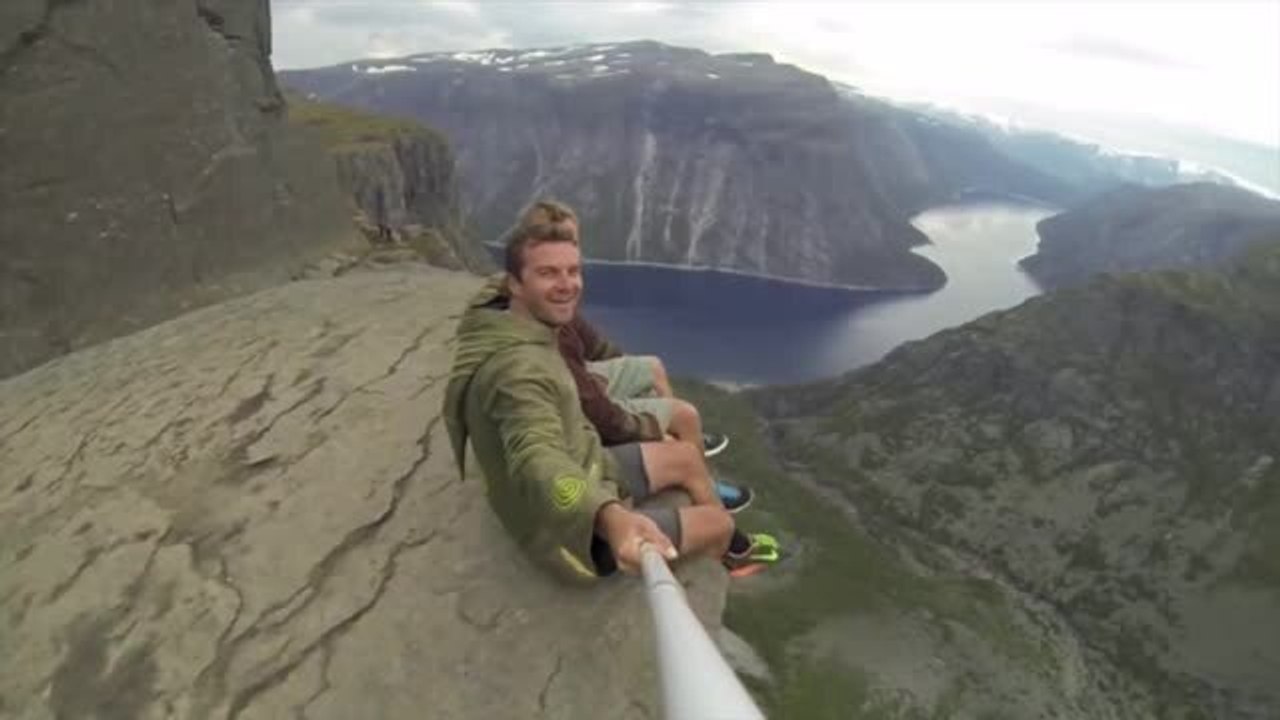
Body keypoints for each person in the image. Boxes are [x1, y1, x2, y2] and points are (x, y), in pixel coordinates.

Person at [443, 215, 775, 581]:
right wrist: (610, 518)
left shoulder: (510, 315)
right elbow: (536, 458)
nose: (567, 285)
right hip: (562, 529)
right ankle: (717, 561)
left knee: (685, 457)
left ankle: (712, 540)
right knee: (719, 523)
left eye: (573, 271)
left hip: (588, 458)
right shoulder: (518, 371)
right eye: (549, 273)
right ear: (515, 286)